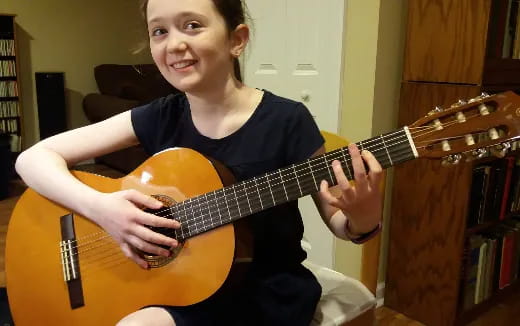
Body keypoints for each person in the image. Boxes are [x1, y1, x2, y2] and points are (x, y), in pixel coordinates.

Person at [15, 0, 383, 325]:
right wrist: (102, 209)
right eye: (159, 31)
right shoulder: (159, 116)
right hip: (178, 280)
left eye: (192, 25)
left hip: (262, 290)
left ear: (236, 39)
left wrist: (363, 217)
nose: (174, 44)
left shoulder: (288, 120)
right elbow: (32, 159)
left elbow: (339, 221)